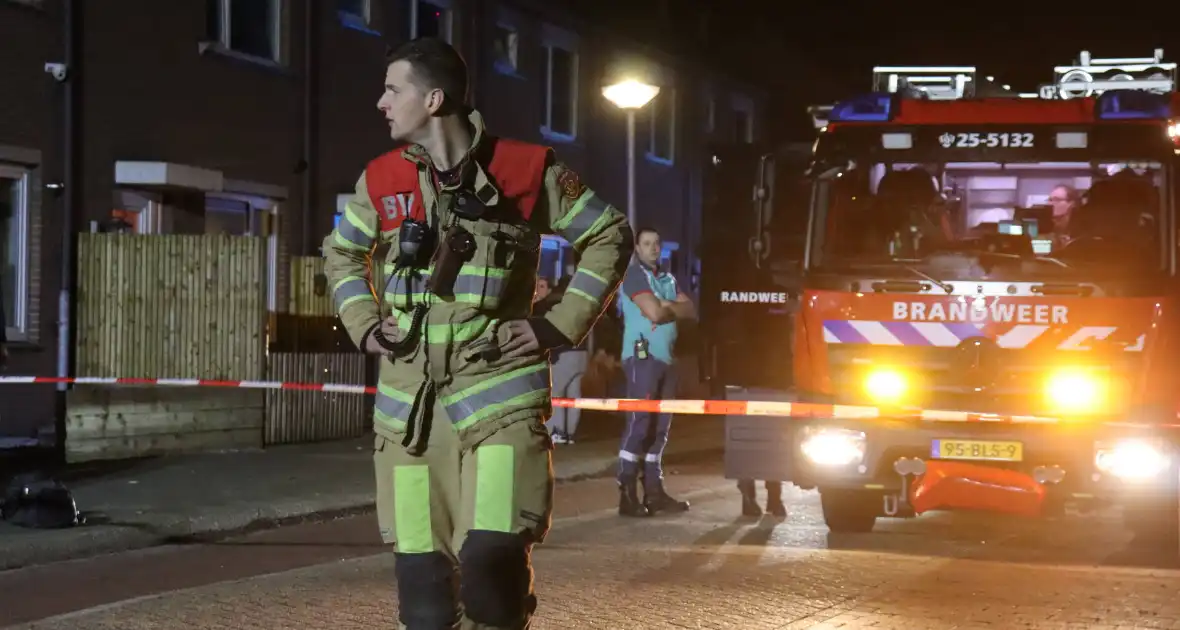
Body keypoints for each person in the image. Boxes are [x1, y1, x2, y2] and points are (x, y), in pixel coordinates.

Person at [321, 38, 633, 629]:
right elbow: (341, 255)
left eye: (393, 89)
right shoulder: (382, 180)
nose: (380, 102)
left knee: (492, 578)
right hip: (409, 425)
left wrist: (557, 324)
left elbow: (608, 234)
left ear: (434, 98)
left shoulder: (525, 170)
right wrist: (364, 325)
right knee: (424, 600)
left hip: (500, 408)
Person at [615, 227, 694, 517]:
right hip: (643, 358)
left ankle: (654, 492)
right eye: (646, 244)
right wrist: (671, 306)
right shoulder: (636, 275)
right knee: (640, 424)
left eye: (656, 243)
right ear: (637, 248)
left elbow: (691, 310)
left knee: (660, 430)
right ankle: (627, 493)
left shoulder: (668, 278)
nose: (652, 248)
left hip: (667, 360)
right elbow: (655, 313)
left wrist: (667, 304)